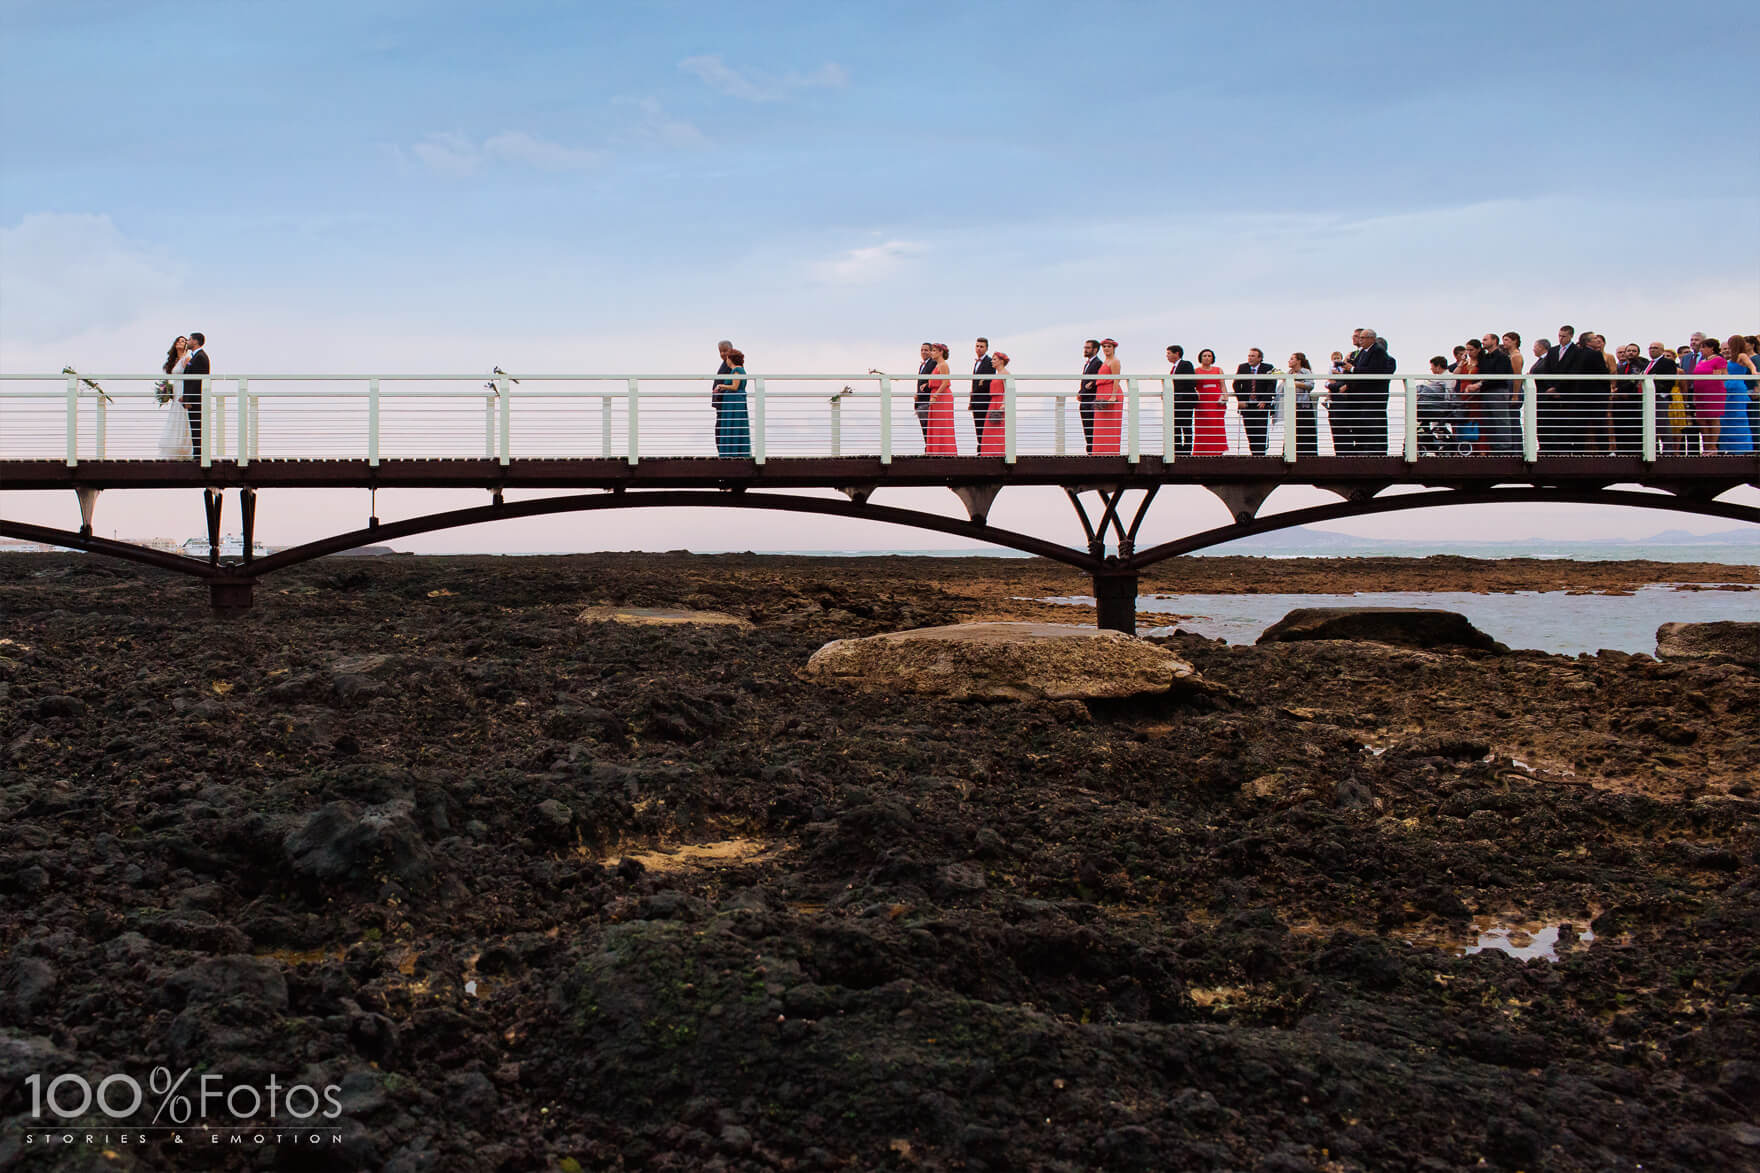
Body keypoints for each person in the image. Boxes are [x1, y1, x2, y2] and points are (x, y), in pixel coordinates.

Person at [1341, 328, 1394, 454]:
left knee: (1372, 425)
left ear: (1371, 339)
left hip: (1371, 397)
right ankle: (1364, 450)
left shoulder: (1377, 352)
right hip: (1360, 398)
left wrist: (1352, 369)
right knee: (1362, 425)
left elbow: (1373, 371)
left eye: (1362, 338)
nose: (1360, 340)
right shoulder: (1363, 352)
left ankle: (1374, 452)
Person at [1234, 347, 1276, 456]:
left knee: (1261, 432)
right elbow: (1236, 384)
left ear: (1260, 358)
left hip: (1261, 405)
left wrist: (1265, 401)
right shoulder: (1242, 367)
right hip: (1247, 405)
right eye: (1249, 356)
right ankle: (1254, 454)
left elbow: (1271, 385)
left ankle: (1261, 455)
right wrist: (1241, 400)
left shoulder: (1268, 367)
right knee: (1250, 432)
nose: (1250, 358)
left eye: (1253, 356)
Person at [1643, 341, 1684, 455]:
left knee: (1663, 424)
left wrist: (1659, 390)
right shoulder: (1647, 363)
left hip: (1660, 397)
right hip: (1647, 398)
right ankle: (1653, 450)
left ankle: (1668, 450)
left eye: (1655, 348)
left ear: (1662, 350)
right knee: (1651, 425)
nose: (1652, 350)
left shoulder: (1667, 362)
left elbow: (1669, 381)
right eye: (1650, 348)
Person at [157, 336, 194, 459]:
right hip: (176, 392)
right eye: (178, 341)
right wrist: (166, 390)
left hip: (183, 391)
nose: (180, 342)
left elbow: (191, 373)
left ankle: (185, 448)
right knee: (174, 417)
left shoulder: (187, 359)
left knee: (183, 417)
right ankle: (173, 447)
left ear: (186, 345)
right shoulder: (174, 361)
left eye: (183, 341)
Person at [1720, 334, 1756, 454]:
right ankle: (1729, 448)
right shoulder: (1730, 357)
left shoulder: (1742, 355)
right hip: (1727, 387)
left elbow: (1752, 367)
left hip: (1737, 387)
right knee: (1726, 417)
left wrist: (1755, 373)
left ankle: (1742, 448)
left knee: (1738, 417)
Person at [713, 346, 751, 458]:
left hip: (734, 402)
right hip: (732, 402)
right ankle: (733, 451)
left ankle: (732, 452)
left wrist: (721, 386)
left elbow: (735, 386)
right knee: (733, 425)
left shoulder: (737, 370)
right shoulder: (738, 370)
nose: (726, 361)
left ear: (731, 359)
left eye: (728, 358)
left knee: (733, 425)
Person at [1691, 338, 1727, 453]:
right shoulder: (1701, 361)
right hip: (1700, 393)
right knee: (1701, 419)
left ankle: (1712, 446)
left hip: (1713, 392)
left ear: (1711, 348)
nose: (1701, 350)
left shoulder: (1718, 360)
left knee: (1713, 418)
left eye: (1703, 347)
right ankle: (1706, 445)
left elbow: (1723, 376)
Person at [1090, 339, 1124, 454]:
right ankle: (1100, 451)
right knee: (1100, 424)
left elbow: (1116, 378)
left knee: (1110, 424)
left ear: (1113, 348)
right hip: (1101, 392)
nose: (1106, 349)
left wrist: (1113, 395)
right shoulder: (1105, 361)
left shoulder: (1115, 361)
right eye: (1104, 346)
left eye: (1108, 346)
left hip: (1110, 392)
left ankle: (1110, 452)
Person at [1192, 349, 1227, 455]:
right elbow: (1193, 386)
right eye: (1204, 356)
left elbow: (1222, 384)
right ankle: (1201, 451)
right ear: (1200, 358)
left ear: (1212, 358)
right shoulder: (1195, 371)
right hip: (1203, 401)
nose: (1207, 358)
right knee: (1203, 426)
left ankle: (1217, 451)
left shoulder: (1218, 370)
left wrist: (1225, 397)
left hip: (1216, 401)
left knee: (1216, 425)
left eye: (1209, 356)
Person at [1285, 351, 1320, 456]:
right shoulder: (1289, 373)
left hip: (1303, 406)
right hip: (1292, 406)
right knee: (1292, 431)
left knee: (1305, 432)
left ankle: (1308, 454)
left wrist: (1294, 383)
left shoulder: (1305, 371)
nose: (1289, 361)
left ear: (1298, 361)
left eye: (1292, 359)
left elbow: (1310, 384)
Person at [181, 332, 210, 460]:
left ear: (196, 341)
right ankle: (197, 453)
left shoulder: (200, 357)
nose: (188, 341)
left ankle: (198, 455)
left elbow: (196, 381)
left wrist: (189, 398)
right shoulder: (195, 356)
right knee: (194, 426)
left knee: (197, 426)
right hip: (193, 397)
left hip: (196, 399)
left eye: (190, 339)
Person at [926, 343, 957, 454]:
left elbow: (945, 382)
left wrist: (935, 396)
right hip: (937, 395)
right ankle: (935, 450)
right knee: (936, 424)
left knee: (943, 424)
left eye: (934, 350)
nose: (932, 353)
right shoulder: (937, 365)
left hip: (942, 397)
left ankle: (945, 451)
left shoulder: (943, 365)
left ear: (940, 352)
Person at [1166, 345, 1196, 455]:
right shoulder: (1174, 368)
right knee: (1176, 425)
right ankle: (1177, 450)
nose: (1167, 356)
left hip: (1185, 400)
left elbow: (1190, 382)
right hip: (1176, 401)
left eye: (1169, 353)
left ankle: (1187, 451)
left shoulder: (1186, 364)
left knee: (1186, 425)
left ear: (1177, 353)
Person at [980, 352, 1011, 457]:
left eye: (994, 359)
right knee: (990, 428)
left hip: (999, 402)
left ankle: (998, 451)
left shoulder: (1005, 373)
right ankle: (989, 452)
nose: (992, 361)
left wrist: (1004, 403)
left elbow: (1007, 389)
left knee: (998, 427)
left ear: (1001, 361)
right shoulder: (997, 374)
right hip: (993, 402)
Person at [970, 338, 996, 451]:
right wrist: (971, 400)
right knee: (977, 425)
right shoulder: (977, 362)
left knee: (983, 425)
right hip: (976, 400)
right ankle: (980, 447)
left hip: (984, 399)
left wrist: (982, 383)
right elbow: (975, 383)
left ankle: (983, 448)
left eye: (981, 346)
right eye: (977, 346)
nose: (979, 348)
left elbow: (987, 381)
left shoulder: (989, 362)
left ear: (986, 348)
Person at [1077, 339, 1102, 453]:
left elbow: (1094, 381)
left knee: (1090, 428)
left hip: (1090, 401)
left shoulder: (1097, 363)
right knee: (1087, 428)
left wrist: (1086, 389)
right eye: (1085, 347)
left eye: (1088, 348)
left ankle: (1092, 451)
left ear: (1095, 350)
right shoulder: (1088, 364)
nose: (1085, 350)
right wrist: (1080, 391)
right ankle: (1090, 450)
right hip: (1085, 400)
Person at [914, 342, 936, 442]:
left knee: (928, 427)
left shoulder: (933, 363)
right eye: (922, 350)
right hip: (920, 401)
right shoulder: (922, 365)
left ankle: (930, 448)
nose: (923, 352)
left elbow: (933, 380)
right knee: (924, 428)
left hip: (927, 400)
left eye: (926, 350)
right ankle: (928, 448)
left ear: (931, 351)